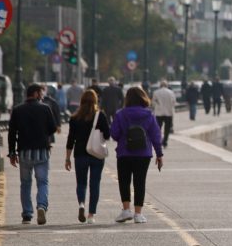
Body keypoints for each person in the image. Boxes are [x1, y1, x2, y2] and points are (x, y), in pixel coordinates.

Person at [109, 86, 164, 224]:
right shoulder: (149, 114)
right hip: (143, 153)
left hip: (124, 152)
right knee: (140, 182)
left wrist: (123, 136)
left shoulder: (120, 114)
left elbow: (114, 134)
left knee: (124, 181)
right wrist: (159, 154)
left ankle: (126, 210)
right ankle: (138, 214)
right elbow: (156, 135)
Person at [7, 83, 57, 224]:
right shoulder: (45, 108)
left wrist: (12, 153)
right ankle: (41, 206)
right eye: (40, 93)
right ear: (35, 94)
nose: (42, 96)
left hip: (24, 153)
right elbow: (52, 128)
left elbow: (12, 133)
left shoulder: (17, 110)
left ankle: (27, 214)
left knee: (25, 183)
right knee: (42, 182)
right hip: (42, 151)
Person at [64, 88, 110, 224]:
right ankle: (91, 215)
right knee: (95, 184)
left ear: (81, 100)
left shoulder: (74, 118)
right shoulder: (100, 116)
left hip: (80, 154)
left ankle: (81, 204)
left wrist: (67, 158)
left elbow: (70, 139)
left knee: (81, 183)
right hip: (96, 154)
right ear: (96, 100)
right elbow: (107, 135)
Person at [152, 80, 175, 149]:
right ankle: (165, 141)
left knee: (158, 128)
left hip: (159, 113)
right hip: (168, 113)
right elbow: (173, 102)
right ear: (166, 85)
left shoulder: (156, 92)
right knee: (167, 128)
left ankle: (159, 140)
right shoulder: (171, 92)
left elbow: (153, 102)